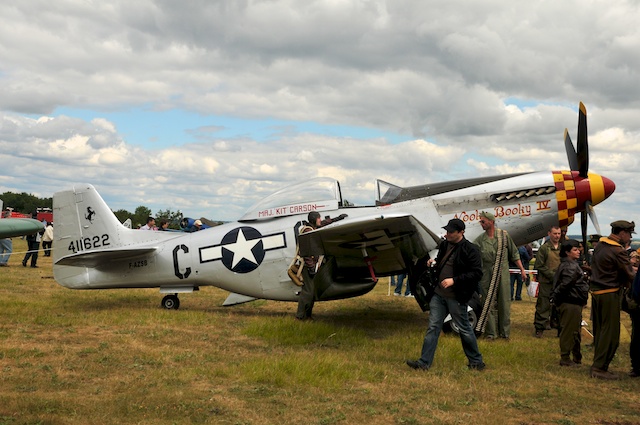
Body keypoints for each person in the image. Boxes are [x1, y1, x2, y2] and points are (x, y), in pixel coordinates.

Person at [406, 218, 485, 371]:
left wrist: (454, 280)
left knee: (464, 328)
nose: (447, 233)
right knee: (433, 327)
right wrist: (432, 263)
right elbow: (441, 262)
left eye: (451, 231)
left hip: (457, 296)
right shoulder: (444, 245)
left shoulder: (471, 249)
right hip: (439, 294)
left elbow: (476, 273)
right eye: (447, 230)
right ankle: (424, 363)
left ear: (461, 232)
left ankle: (476, 362)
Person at [589, 220, 635, 380]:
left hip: (597, 293)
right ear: (622, 233)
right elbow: (630, 274)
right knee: (611, 334)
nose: (629, 237)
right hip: (610, 293)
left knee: (601, 331)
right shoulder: (618, 251)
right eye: (629, 234)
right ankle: (600, 368)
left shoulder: (601, 246)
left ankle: (598, 364)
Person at [474, 211, 526, 340]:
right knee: (488, 303)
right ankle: (491, 333)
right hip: (487, 274)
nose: (481, 224)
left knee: (504, 303)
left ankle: (504, 333)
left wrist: (522, 270)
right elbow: (472, 254)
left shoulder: (504, 236)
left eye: (483, 221)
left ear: (491, 222)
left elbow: (514, 254)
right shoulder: (480, 239)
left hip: (502, 273)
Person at [295, 211, 347, 320]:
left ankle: (307, 315)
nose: (320, 220)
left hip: (313, 265)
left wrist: (337, 218)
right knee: (308, 292)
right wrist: (311, 268)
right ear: (314, 219)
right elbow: (307, 253)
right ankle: (300, 316)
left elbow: (323, 223)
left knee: (312, 292)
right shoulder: (307, 232)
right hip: (308, 266)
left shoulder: (311, 228)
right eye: (318, 218)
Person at [550, 240, 589, 367]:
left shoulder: (569, 264)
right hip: (571, 301)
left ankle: (575, 356)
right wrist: (556, 297)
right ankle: (565, 357)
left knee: (574, 330)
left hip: (572, 301)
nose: (578, 251)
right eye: (575, 250)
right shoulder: (570, 266)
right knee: (569, 331)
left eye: (578, 249)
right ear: (567, 252)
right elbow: (566, 284)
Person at [533, 226, 562, 337]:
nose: (557, 236)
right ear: (549, 233)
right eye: (555, 233)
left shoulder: (562, 248)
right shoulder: (544, 248)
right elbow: (539, 265)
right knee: (543, 305)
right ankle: (540, 327)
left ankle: (559, 327)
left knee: (559, 306)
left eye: (558, 233)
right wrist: (552, 275)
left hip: (560, 283)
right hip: (546, 281)